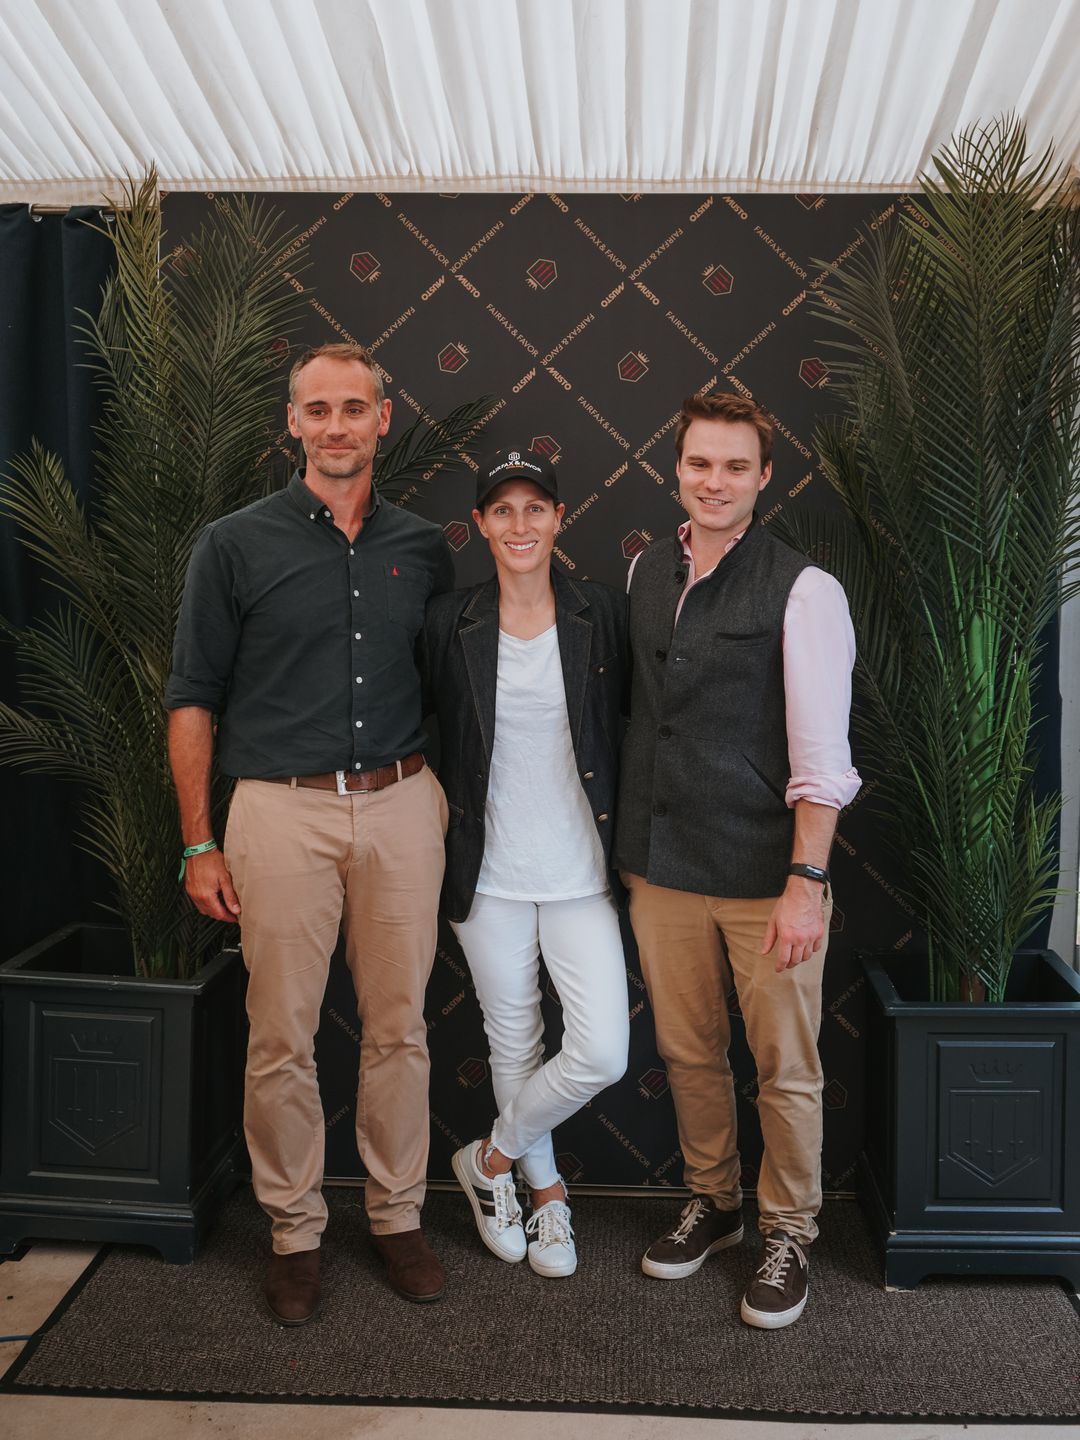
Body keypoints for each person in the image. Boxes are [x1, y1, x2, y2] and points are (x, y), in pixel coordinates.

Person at [165, 342, 454, 1324]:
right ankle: (293, 1231)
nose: (335, 426)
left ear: (384, 417)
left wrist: (441, 805)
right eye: (316, 410)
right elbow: (194, 698)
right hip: (277, 813)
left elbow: (451, 691)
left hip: (403, 803)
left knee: (399, 1030)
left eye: (353, 409)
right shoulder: (233, 544)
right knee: (280, 1036)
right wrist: (199, 842)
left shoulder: (425, 546)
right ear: (292, 423)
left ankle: (397, 1216)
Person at [617, 390, 860, 1329]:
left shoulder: (803, 589)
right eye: (698, 464)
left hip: (769, 878)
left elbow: (821, 758)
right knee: (687, 1052)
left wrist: (807, 883)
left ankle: (787, 1231)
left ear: (765, 477)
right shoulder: (644, 570)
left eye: (734, 467)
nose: (713, 482)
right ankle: (714, 1203)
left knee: (784, 1066)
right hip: (662, 865)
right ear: (676, 469)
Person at [421, 446, 629, 1278]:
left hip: (581, 870)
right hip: (488, 871)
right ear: (480, 524)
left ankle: (490, 1161)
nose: (519, 524)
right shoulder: (450, 621)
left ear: (558, 519)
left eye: (534, 508)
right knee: (513, 1040)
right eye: (501, 510)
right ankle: (546, 1200)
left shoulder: (601, 614)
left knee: (602, 1051)